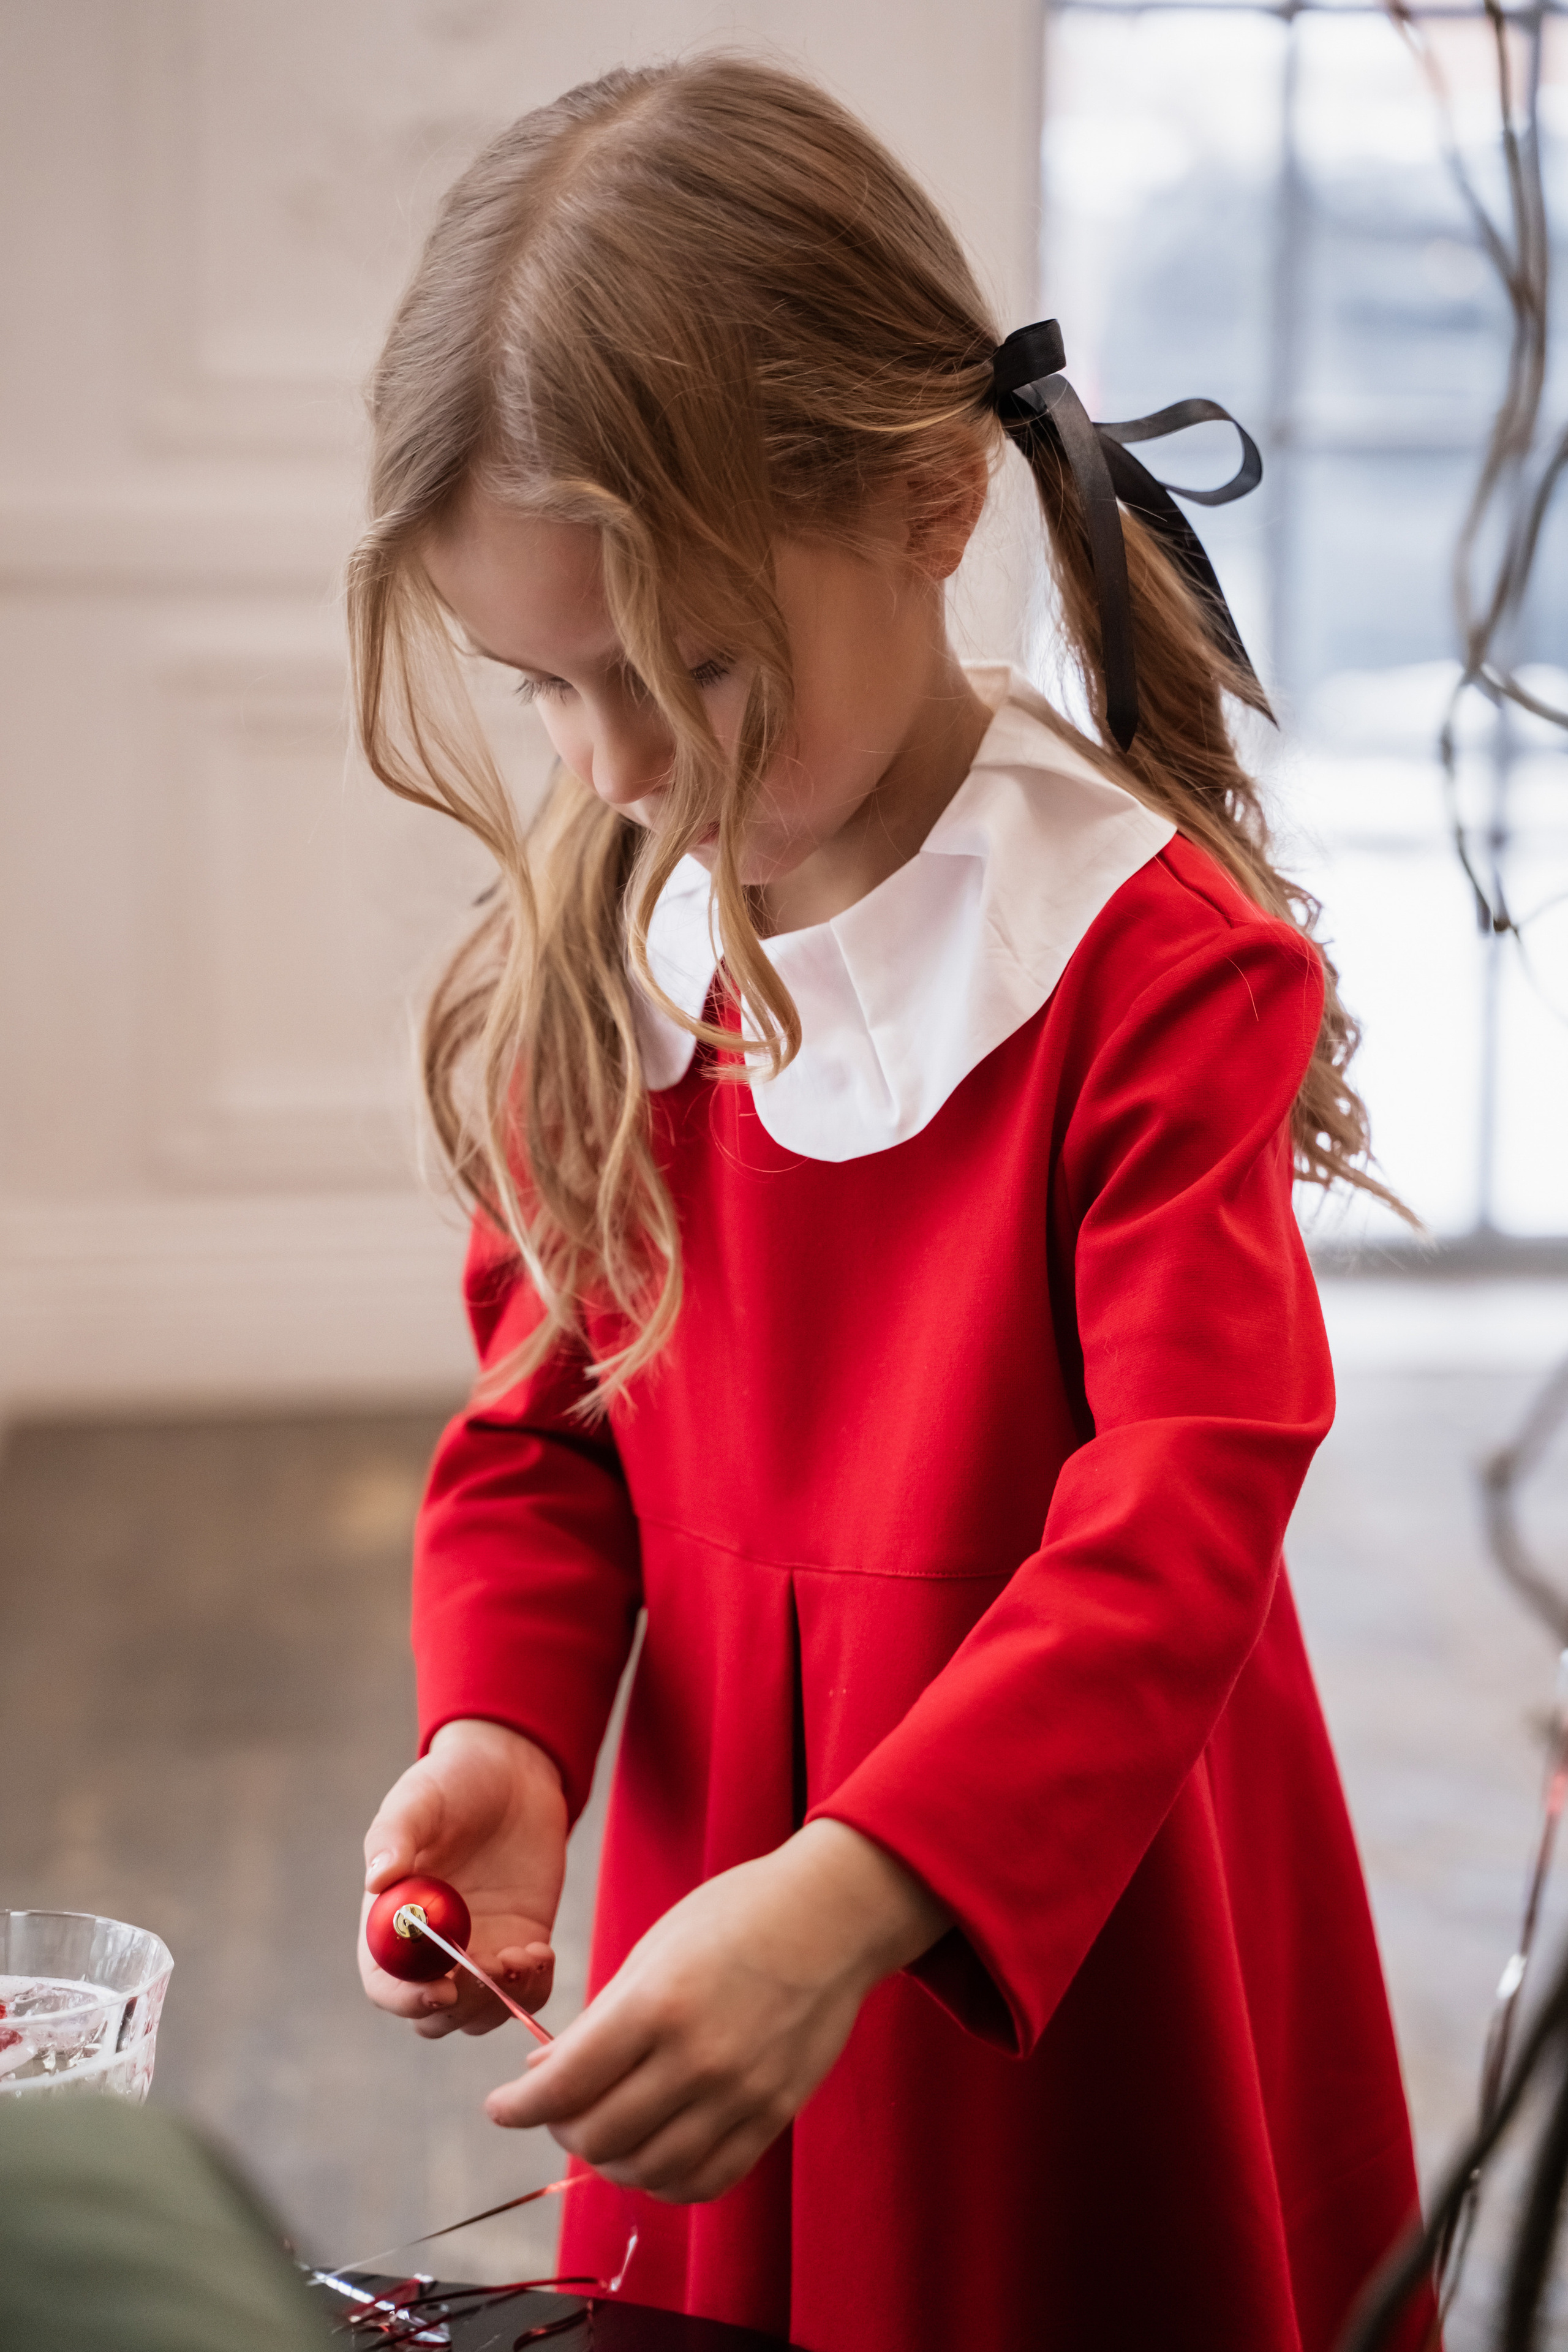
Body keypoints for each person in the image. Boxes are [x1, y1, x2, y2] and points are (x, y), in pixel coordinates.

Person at [349, 56, 1429, 2352]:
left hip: (1059, 1908)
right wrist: (506, 1741)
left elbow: (1187, 1500)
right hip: (726, 1877)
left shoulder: (1143, 963)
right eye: (547, 691)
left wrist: (863, 1894)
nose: (622, 773)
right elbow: (547, 1438)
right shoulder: (606, 954)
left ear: (938, 505)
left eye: (693, 673)